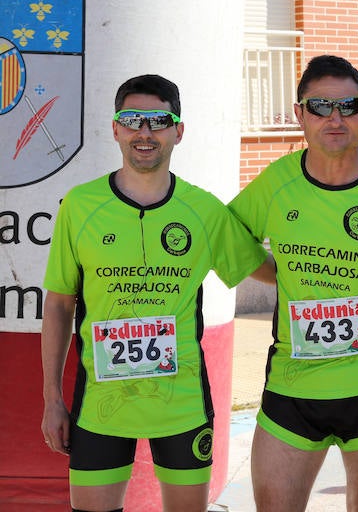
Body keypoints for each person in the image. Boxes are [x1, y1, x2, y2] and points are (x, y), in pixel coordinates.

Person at [41, 74, 274, 512]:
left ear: (178, 131)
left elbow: (266, 270)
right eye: (131, 120)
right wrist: (52, 399)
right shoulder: (80, 206)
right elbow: (57, 304)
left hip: (182, 405)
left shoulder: (203, 210)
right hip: (100, 405)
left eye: (158, 120)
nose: (144, 132)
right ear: (115, 129)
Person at [228, 55, 358, 511]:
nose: (335, 118)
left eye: (350, 105)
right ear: (300, 114)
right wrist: (284, 276)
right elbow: (230, 242)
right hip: (292, 388)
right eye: (320, 106)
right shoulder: (277, 182)